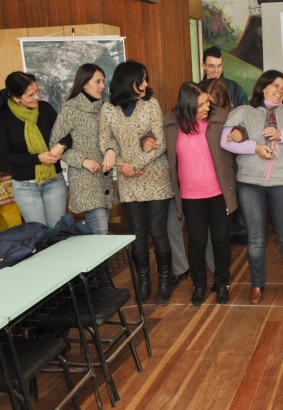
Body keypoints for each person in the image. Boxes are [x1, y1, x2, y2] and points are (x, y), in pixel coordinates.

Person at [220, 70, 283, 306]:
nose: (280, 90)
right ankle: (257, 285)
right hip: (250, 183)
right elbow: (225, 141)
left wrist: (282, 134)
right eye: (276, 85)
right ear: (262, 87)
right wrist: (255, 148)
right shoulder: (243, 111)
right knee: (255, 238)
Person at [99, 60, 174, 304]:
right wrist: (113, 153)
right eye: (141, 79)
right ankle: (143, 282)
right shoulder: (108, 109)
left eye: (146, 79)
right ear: (126, 80)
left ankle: (164, 281)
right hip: (127, 179)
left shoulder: (151, 104)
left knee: (158, 231)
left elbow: (160, 143)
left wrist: (136, 166)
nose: (145, 84)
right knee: (137, 233)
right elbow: (105, 139)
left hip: (154, 176)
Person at [163, 82, 236, 305]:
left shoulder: (220, 117)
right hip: (190, 196)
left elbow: (239, 126)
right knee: (196, 242)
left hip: (218, 193)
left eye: (207, 101)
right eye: (201, 104)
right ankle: (199, 285)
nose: (207, 106)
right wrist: (146, 139)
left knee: (221, 241)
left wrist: (239, 133)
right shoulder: (171, 124)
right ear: (187, 106)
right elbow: (150, 135)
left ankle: (222, 284)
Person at [50, 63, 120, 288]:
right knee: (100, 233)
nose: (102, 86)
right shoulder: (71, 108)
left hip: (105, 178)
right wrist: (82, 160)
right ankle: (104, 284)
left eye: (103, 81)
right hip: (85, 179)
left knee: (97, 232)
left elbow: (113, 137)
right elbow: (55, 143)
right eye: (98, 81)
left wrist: (111, 149)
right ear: (84, 82)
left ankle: (90, 283)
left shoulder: (106, 108)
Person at [0, 72, 70, 227]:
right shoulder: (3, 117)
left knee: (57, 233)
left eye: (37, 91)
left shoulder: (45, 108)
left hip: (54, 181)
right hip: (25, 187)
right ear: (16, 98)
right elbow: (4, 156)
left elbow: (68, 134)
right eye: (30, 95)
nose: (36, 97)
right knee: (39, 236)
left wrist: (62, 144)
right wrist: (38, 158)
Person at [202, 46, 248, 245]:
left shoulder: (234, 87)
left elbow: (247, 114)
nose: (216, 71)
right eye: (211, 66)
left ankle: (240, 230)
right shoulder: (196, 89)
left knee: (235, 186)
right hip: (206, 149)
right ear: (203, 66)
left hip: (232, 150)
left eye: (219, 66)